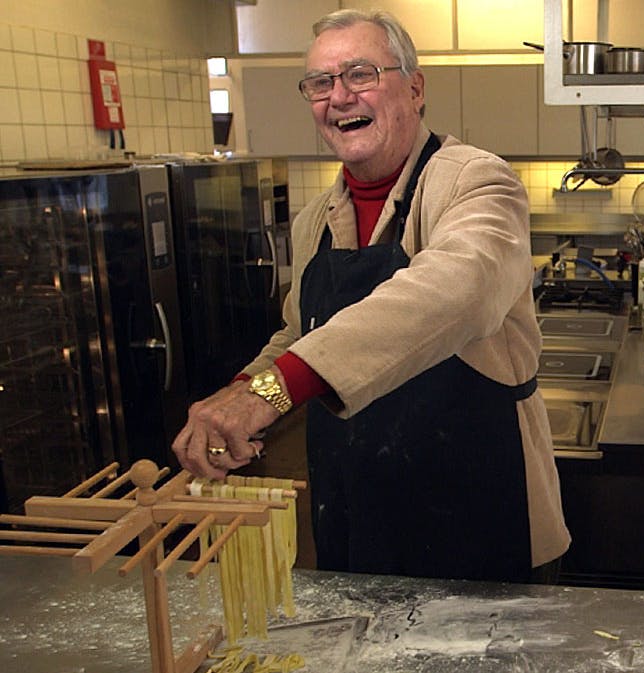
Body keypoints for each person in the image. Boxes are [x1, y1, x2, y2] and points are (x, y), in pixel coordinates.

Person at [171, 9, 569, 584]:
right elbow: (298, 335)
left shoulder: (476, 181)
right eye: (320, 83)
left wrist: (275, 389)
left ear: (414, 86)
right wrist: (237, 400)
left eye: (360, 74)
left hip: (480, 514)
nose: (338, 97)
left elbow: (459, 290)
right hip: (362, 518)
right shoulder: (315, 221)